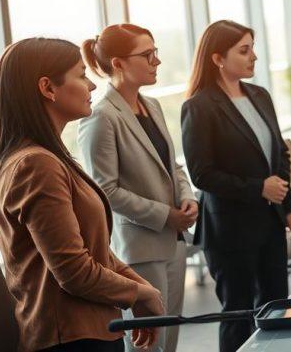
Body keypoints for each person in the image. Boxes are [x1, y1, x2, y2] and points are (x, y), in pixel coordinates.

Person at [0, 38, 164, 352]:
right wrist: (139, 294)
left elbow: (92, 249)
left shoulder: (41, 159)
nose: (91, 85)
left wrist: (141, 287)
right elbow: (74, 272)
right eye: (80, 75)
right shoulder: (36, 165)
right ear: (48, 88)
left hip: (86, 331)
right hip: (72, 338)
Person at [181, 20, 291, 352]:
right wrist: (257, 188)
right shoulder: (199, 106)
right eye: (244, 50)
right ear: (218, 58)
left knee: (277, 306)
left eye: (253, 48)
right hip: (229, 230)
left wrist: (287, 205)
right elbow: (202, 174)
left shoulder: (259, 96)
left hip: (270, 223)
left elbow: (280, 157)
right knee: (239, 313)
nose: (254, 57)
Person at [78, 24, 197, 352]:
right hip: (140, 247)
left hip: (173, 241)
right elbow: (105, 190)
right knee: (148, 344)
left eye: (155, 52)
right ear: (117, 63)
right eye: (147, 55)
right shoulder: (101, 117)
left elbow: (171, 165)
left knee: (170, 336)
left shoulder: (152, 105)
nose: (156, 61)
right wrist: (166, 215)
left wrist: (187, 199)